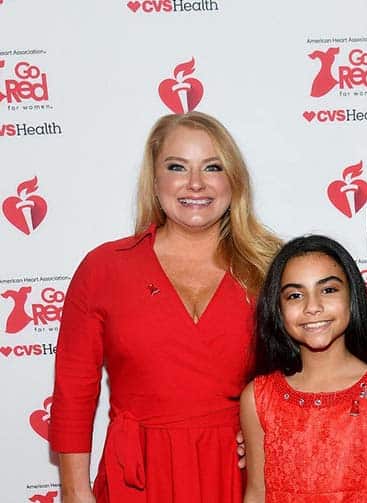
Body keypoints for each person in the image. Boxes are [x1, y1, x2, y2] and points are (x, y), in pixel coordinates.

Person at [48, 111, 280, 503]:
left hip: (240, 476)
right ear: (155, 180)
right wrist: (75, 491)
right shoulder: (105, 269)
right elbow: (73, 392)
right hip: (136, 477)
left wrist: (273, 431)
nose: (195, 184)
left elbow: (310, 372)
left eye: (212, 167)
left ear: (233, 181)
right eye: (177, 167)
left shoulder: (271, 268)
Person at [240, 235, 367, 503]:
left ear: (353, 295)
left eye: (328, 290)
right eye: (295, 295)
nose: (313, 307)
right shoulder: (258, 398)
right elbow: (256, 494)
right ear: (278, 308)